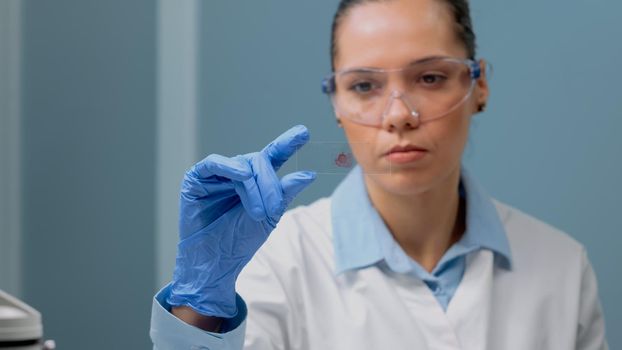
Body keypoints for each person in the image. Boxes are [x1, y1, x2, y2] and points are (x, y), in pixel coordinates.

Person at [150, 0, 609, 348]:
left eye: (429, 78)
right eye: (364, 86)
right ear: (336, 103)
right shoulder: (274, 263)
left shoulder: (562, 268)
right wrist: (201, 310)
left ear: (479, 84)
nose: (399, 115)